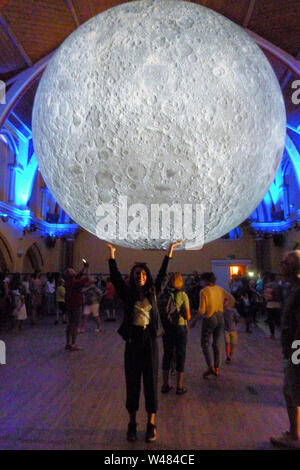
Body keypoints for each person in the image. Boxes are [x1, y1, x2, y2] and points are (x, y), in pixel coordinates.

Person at [107, 240, 182, 443]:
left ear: (147, 277)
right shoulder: (128, 293)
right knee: (132, 383)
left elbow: (164, 274)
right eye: (137, 274)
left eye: (143, 274)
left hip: (149, 341)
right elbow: (115, 277)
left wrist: (170, 251)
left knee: (151, 382)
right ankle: (132, 423)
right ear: (132, 276)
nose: (140, 277)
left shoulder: (154, 292)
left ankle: (151, 423)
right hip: (132, 342)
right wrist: (112, 255)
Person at [270, 250, 300, 449]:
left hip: (297, 348)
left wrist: (295, 351)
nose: (281, 266)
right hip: (293, 347)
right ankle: (293, 431)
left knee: (292, 389)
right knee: (291, 388)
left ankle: (293, 435)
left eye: (285, 263)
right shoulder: (292, 288)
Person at [190, 272, 235, 378]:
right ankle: (217, 367)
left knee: (205, 343)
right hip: (220, 316)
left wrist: (193, 322)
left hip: (210, 317)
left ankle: (210, 367)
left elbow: (202, 310)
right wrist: (224, 307)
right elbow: (232, 299)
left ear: (205, 280)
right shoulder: (219, 289)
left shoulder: (204, 291)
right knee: (217, 343)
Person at [161, 272, 191, 395]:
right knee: (180, 355)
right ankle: (179, 386)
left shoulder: (163, 295)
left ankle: (165, 385)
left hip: (167, 327)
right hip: (180, 327)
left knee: (167, 354)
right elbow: (188, 316)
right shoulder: (183, 295)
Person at [64, 262, 90, 351]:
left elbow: (79, 275)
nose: (74, 270)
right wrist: (87, 269)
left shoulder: (68, 281)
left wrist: (84, 267)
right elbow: (87, 279)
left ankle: (68, 343)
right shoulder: (75, 283)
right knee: (75, 325)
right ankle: (73, 344)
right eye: (72, 270)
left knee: (69, 324)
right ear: (71, 274)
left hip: (69, 305)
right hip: (76, 305)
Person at [264, 273, 282, 339]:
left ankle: (272, 334)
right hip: (278, 304)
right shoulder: (278, 285)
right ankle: (282, 334)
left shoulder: (267, 285)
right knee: (278, 320)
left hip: (270, 304)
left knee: (270, 320)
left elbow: (266, 295)